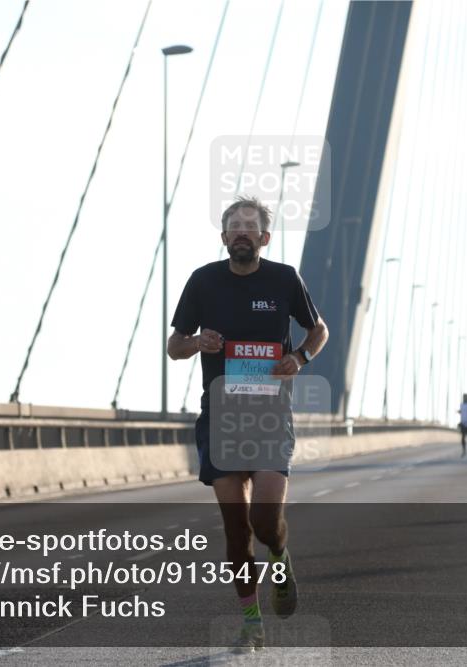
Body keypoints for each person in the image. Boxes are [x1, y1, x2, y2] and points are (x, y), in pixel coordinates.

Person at [167, 196, 329, 654]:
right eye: (234, 226)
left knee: (264, 520)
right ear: (223, 238)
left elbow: (318, 330)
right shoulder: (203, 281)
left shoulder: (284, 279)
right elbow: (174, 346)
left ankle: (280, 557)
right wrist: (197, 343)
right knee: (237, 531)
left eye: (249, 225)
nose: (241, 231)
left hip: (270, 417)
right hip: (221, 420)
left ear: (264, 237)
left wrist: (300, 357)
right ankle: (251, 624)